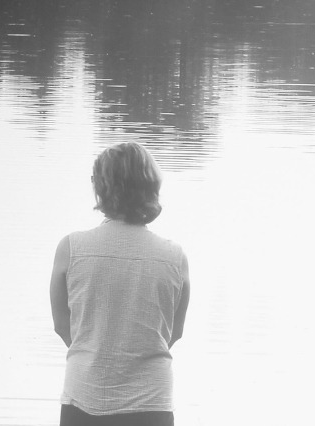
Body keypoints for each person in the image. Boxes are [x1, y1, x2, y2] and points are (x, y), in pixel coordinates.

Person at [50, 142, 191, 426]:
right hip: (151, 401)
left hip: (85, 395)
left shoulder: (71, 248)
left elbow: (63, 327)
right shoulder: (174, 257)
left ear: (101, 187)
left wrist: (96, 351)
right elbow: (173, 333)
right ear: (150, 187)